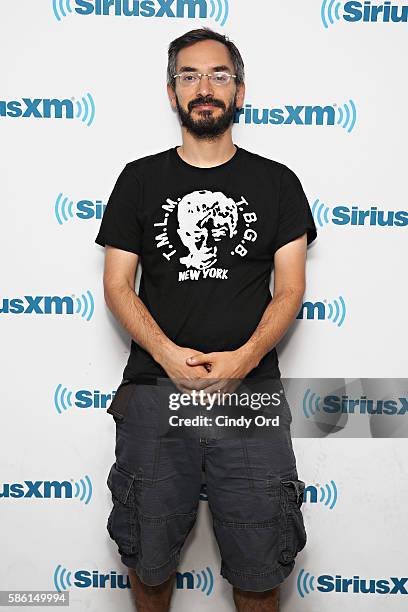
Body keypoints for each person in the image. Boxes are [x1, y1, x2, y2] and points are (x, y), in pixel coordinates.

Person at [95, 27, 317, 612]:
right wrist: (168, 354)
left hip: (251, 399)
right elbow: (117, 284)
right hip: (153, 392)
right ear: (171, 94)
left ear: (240, 91)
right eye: (188, 76)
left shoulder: (277, 182)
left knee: (261, 568)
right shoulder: (139, 179)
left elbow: (290, 288)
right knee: (148, 562)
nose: (204, 88)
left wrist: (243, 361)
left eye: (219, 75)